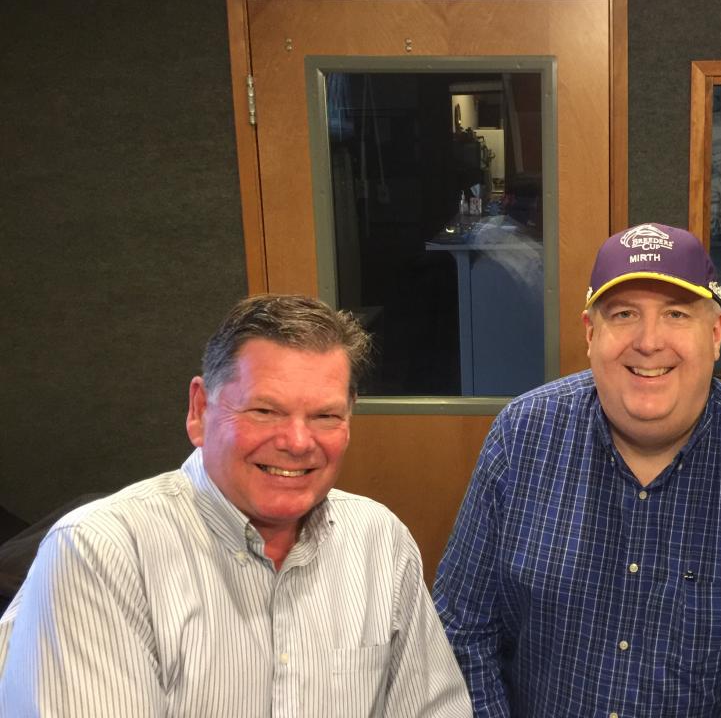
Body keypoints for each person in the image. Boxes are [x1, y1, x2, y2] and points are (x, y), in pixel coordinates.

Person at [434, 223, 721, 717]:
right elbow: (461, 631)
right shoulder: (522, 437)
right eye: (624, 314)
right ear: (590, 333)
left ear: (715, 333)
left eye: (676, 314)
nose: (649, 341)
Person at [0, 294, 471, 717]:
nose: (297, 442)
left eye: (325, 416)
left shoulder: (380, 539)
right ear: (199, 410)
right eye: (265, 411)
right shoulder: (98, 553)